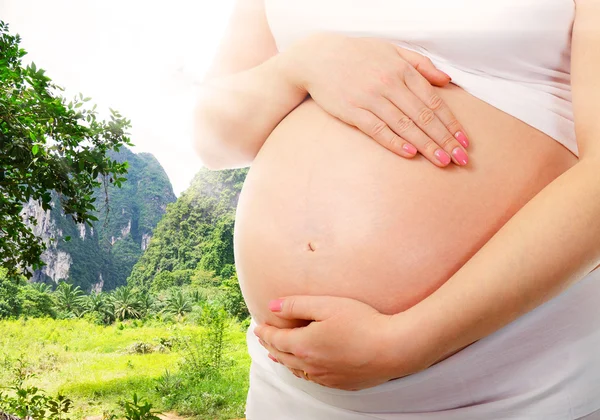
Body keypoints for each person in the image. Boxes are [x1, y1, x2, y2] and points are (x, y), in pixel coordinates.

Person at [193, 0, 600, 418]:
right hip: (291, 392)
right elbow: (213, 140)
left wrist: (406, 343)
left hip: (514, 386)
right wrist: (299, 65)